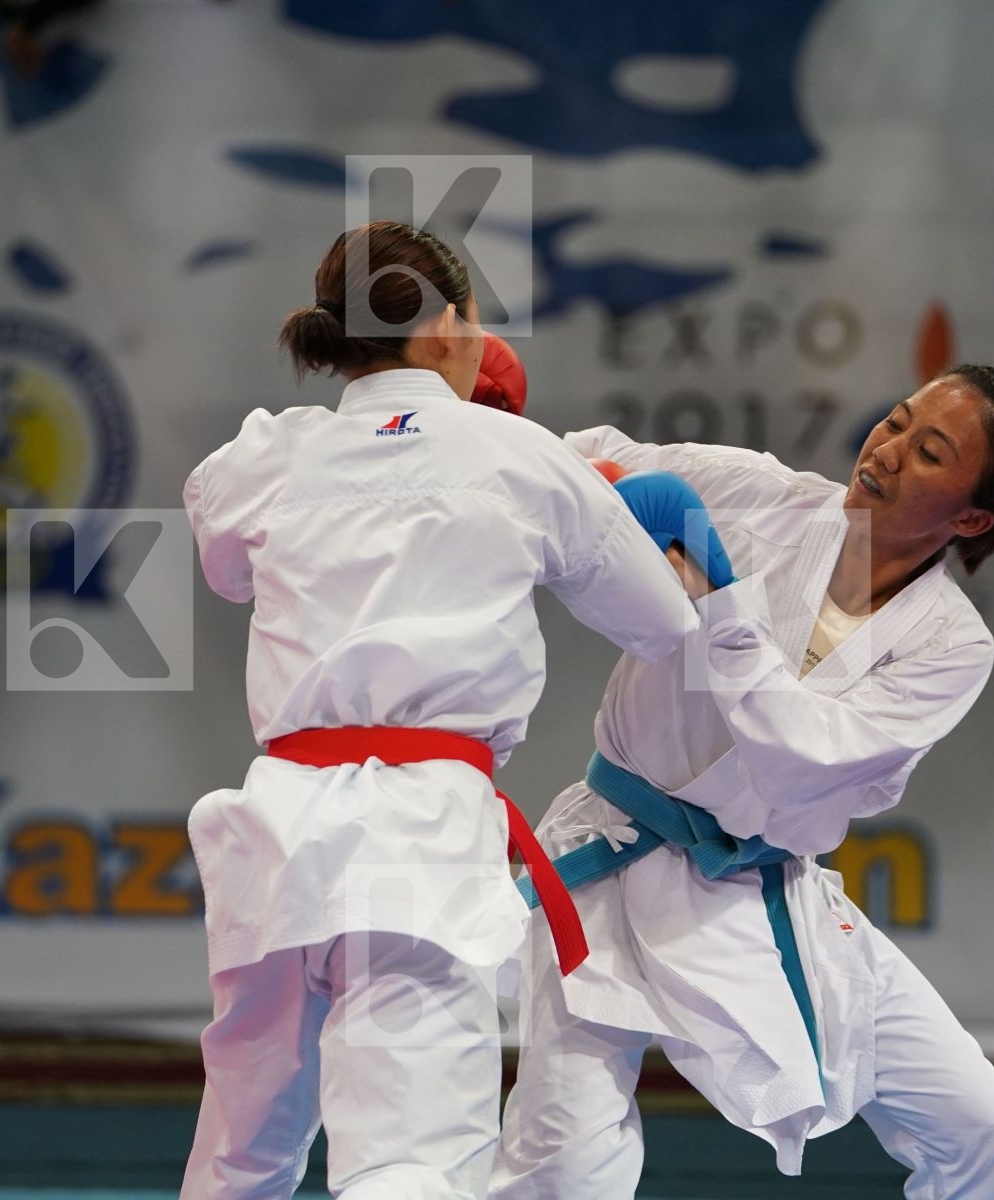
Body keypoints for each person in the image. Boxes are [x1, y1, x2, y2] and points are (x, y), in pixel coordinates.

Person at [180, 220, 715, 1199]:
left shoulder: (266, 453)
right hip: (416, 838)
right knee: (410, 1159)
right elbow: (661, 625)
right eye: (472, 317)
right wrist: (636, 514)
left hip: (276, 836)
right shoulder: (516, 455)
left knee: (240, 1158)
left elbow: (220, 558)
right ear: (442, 327)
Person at [491, 365, 994, 1199]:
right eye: (896, 422)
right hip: (610, 861)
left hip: (762, 888)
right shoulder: (762, 495)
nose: (889, 451)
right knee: (567, 1166)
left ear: (972, 516)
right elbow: (595, 461)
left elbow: (802, 759)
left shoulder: (951, 645)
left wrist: (721, 602)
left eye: (929, 451)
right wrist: (482, 431)